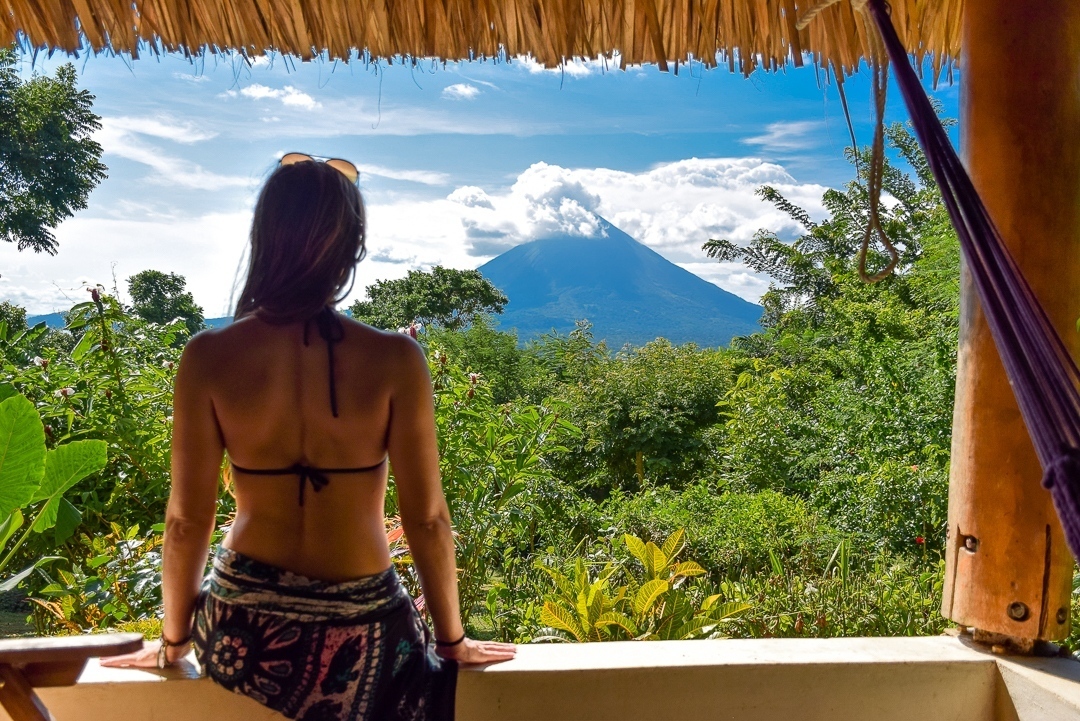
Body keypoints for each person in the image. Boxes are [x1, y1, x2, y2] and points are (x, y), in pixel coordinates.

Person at [102, 154, 516, 720]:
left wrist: (174, 642)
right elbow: (426, 519)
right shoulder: (396, 359)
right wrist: (452, 641)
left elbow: (186, 522)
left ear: (265, 238)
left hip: (240, 629)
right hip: (361, 628)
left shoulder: (208, 356)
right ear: (351, 246)